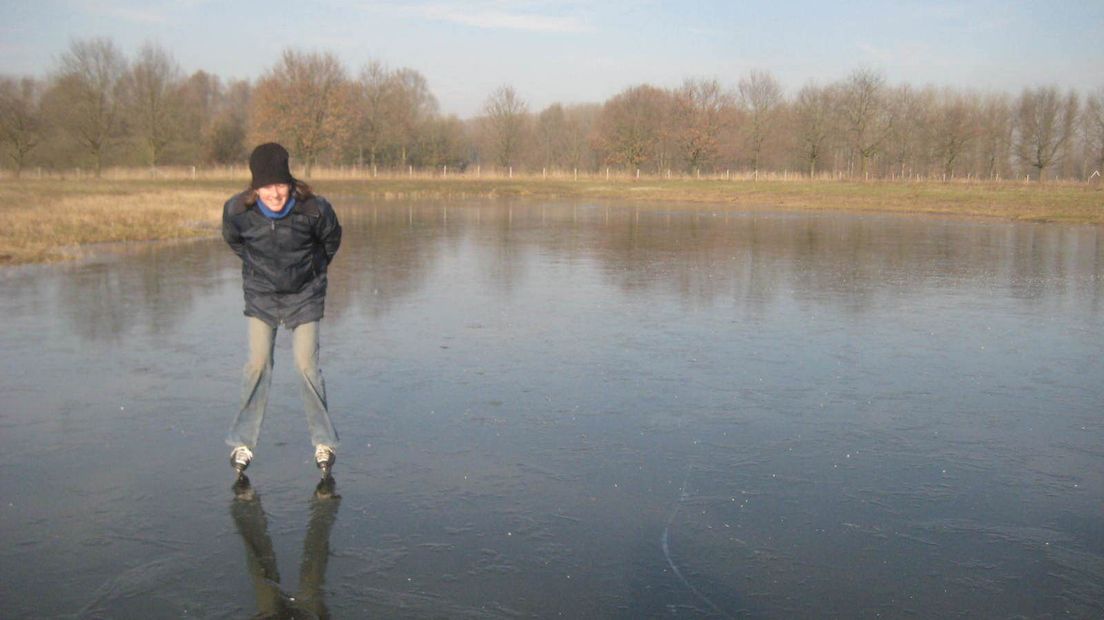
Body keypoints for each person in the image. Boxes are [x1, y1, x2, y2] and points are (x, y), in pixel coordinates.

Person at [222, 142, 342, 479]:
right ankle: (243, 442)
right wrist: (260, 270)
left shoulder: (314, 210)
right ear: (254, 186)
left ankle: (324, 442)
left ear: (290, 182)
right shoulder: (237, 212)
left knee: (306, 365)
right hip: (262, 296)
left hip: (305, 294)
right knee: (258, 365)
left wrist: (312, 271)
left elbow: (331, 240)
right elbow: (234, 242)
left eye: (280, 184)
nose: (274, 193)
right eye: (266, 185)